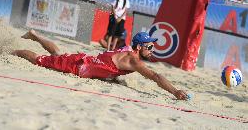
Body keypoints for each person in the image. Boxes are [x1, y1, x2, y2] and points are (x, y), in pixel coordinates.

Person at [12, 30, 188, 100]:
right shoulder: (134, 60)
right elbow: (156, 77)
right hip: (78, 66)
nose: (152, 49)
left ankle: (35, 35)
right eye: (150, 46)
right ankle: (13, 52)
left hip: (84, 61)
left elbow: (111, 63)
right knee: (40, 61)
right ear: (140, 47)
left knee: (58, 54)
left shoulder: (129, 51)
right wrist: (175, 91)